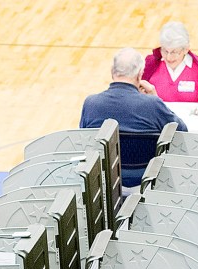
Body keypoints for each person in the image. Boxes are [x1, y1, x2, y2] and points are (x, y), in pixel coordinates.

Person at [79, 48, 188, 186]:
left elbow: (83, 139)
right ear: (139, 75)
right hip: (146, 179)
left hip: (106, 180)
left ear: (112, 72)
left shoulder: (91, 103)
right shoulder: (152, 104)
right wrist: (156, 98)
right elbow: (182, 131)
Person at [143, 22, 198, 104]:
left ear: (186, 49)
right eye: (165, 51)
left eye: (174, 52)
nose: (169, 57)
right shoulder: (150, 65)